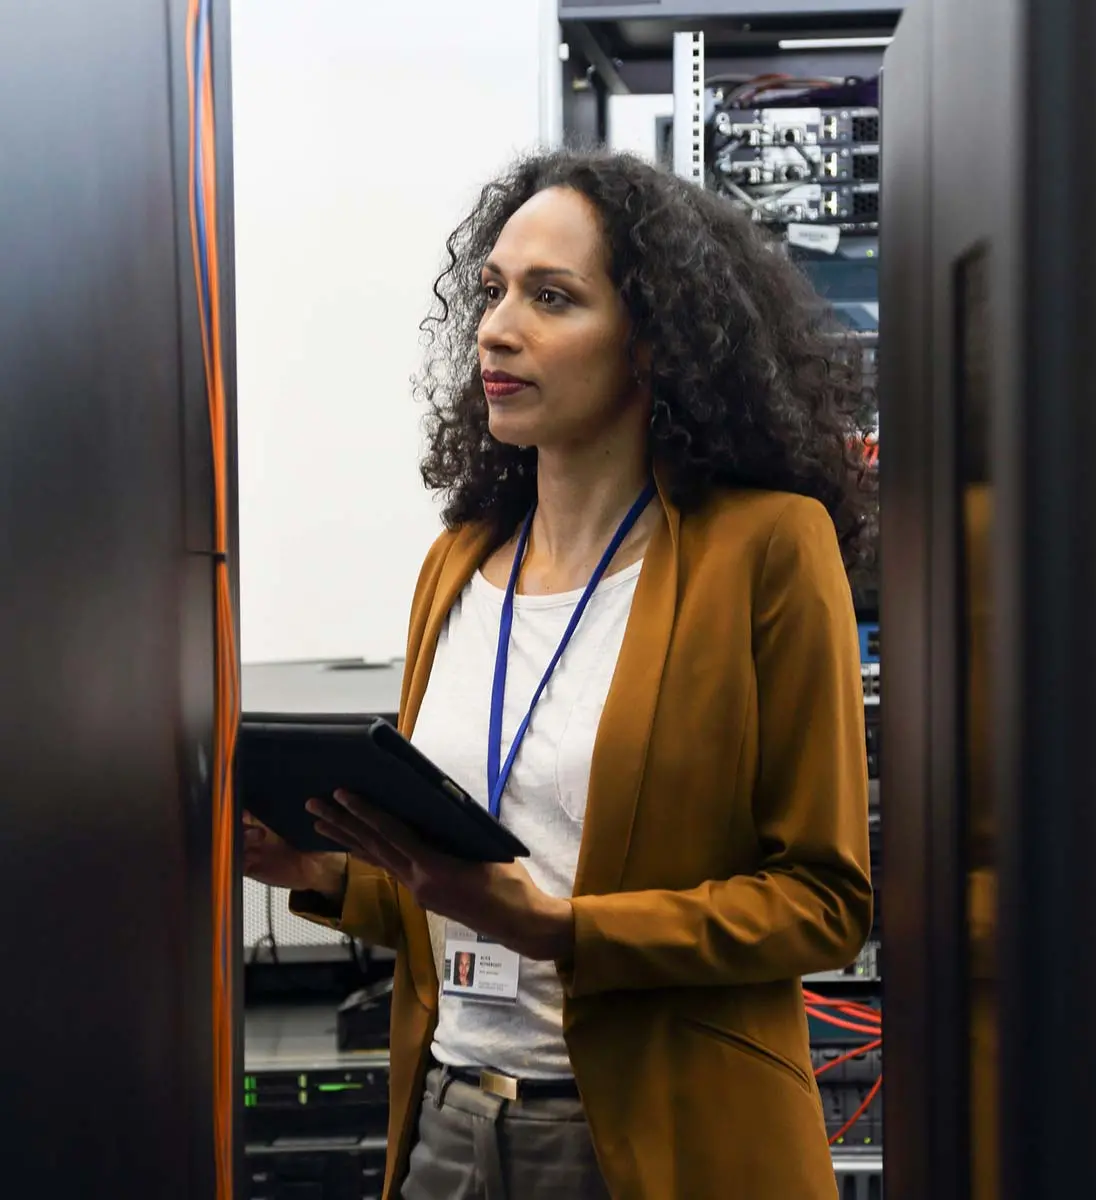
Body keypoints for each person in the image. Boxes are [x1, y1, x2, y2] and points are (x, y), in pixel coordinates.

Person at [243, 148, 873, 1200]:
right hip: (448, 1122)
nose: (495, 328)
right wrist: (315, 871)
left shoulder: (767, 548)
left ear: (653, 343)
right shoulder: (458, 561)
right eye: (491, 292)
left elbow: (821, 902)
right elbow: (453, 887)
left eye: (552, 297)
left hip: (661, 1142)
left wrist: (559, 928)